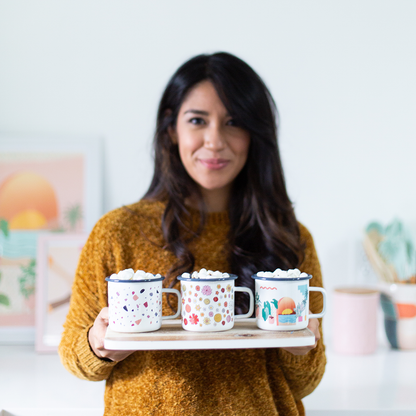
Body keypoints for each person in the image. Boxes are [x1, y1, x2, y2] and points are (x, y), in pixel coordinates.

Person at [59, 52, 326, 416]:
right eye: (198, 120)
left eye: (233, 122)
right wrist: (97, 344)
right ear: (172, 129)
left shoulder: (288, 238)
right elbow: (73, 355)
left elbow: (306, 383)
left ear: (254, 133)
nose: (214, 141)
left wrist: (302, 347)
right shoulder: (117, 233)